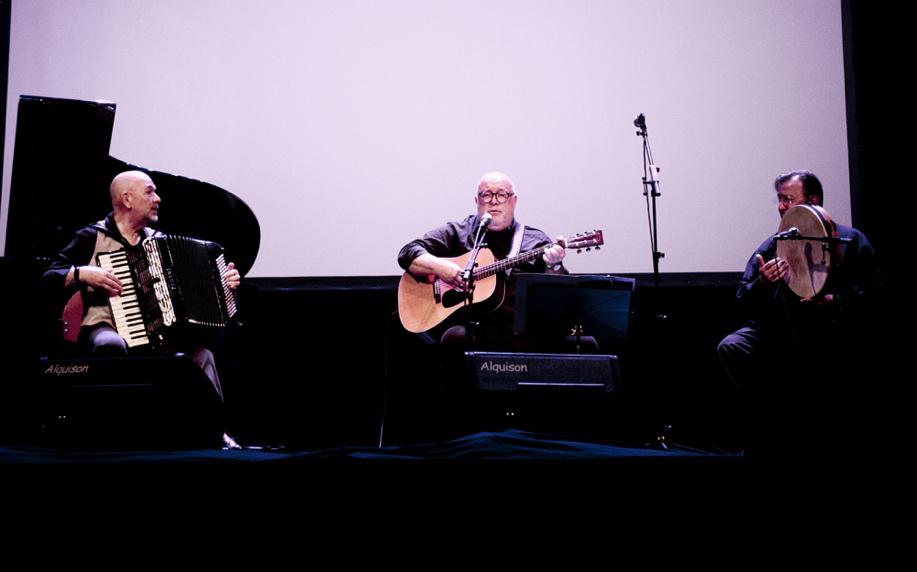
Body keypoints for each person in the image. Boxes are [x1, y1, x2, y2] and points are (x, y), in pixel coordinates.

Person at [42, 170, 243, 449]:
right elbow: (48, 276)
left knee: (203, 356)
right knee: (110, 344)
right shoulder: (92, 237)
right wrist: (83, 273)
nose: (157, 198)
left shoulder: (159, 241)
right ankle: (113, 434)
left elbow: (199, 285)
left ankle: (214, 432)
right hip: (106, 326)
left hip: (160, 336)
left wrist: (224, 284)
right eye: (150, 191)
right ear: (126, 198)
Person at [716, 170, 882, 454]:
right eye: (779, 200)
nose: (782, 206)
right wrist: (763, 283)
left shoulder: (850, 240)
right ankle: (765, 425)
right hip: (779, 330)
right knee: (733, 345)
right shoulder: (773, 244)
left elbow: (875, 292)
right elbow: (742, 296)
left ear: (813, 200)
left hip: (832, 329)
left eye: (788, 199)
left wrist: (836, 300)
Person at [397, 171, 567, 351]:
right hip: (467, 332)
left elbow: (559, 296)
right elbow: (408, 253)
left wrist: (555, 265)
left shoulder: (536, 241)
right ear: (477, 201)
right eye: (486, 195)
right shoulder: (458, 232)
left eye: (501, 194)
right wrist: (441, 268)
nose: (493, 201)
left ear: (513, 201)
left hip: (518, 336)